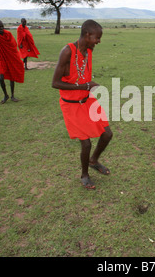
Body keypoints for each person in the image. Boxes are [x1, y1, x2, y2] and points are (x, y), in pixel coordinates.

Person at [52, 20, 113, 190]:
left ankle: (94, 161)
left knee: (107, 134)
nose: (99, 41)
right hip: (71, 104)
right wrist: (85, 86)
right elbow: (55, 83)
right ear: (87, 35)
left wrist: (88, 87)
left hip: (87, 100)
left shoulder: (88, 51)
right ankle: (84, 175)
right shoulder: (67, 52)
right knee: (85, 143)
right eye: (97, 38)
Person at [0, 20, 25, 104]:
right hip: (1, 58)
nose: (1, 28)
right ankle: (6, 95)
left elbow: (13, 46)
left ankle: (12, 95)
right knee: (1, 78)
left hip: (10, 57)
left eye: (2, 26)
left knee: (11, 76)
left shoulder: (8, 34)